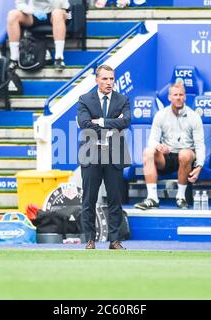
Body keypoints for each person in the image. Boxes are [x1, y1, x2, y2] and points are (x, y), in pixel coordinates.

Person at [77, 64, 131, 250]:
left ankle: (114, 240)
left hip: (114, 154)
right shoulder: (85, 99)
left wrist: (99, 121)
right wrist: (112, 124)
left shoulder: (123, 99)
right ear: (97, 80)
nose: (109, 82)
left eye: (111, 79)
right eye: (105, 79)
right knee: (89, 200)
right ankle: (90, 240)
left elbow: (126, 122)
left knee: (115, 200)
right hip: (91, 154)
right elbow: (84, 124)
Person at [134, 82, 205, 210]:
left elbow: (200, 145)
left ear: (185, 97)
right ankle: (152, 198)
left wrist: (199, 166)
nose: (178, 97)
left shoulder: (194, 117)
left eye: (181, 95)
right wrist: (159, 146)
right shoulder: (160, 115)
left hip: (186, 157)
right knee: (148, 151)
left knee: (185, 153)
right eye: (175, 95)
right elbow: (152, 141)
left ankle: (181, 197)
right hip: (166, 156)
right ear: (169, 97)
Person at [7, 0, 69, 72]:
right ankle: (14, 59)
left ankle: (59, 58)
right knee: (12, 15)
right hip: (34, 13)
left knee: (57, 13)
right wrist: (32, 11)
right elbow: (19, 4)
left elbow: (60, 5)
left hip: (55, 11)